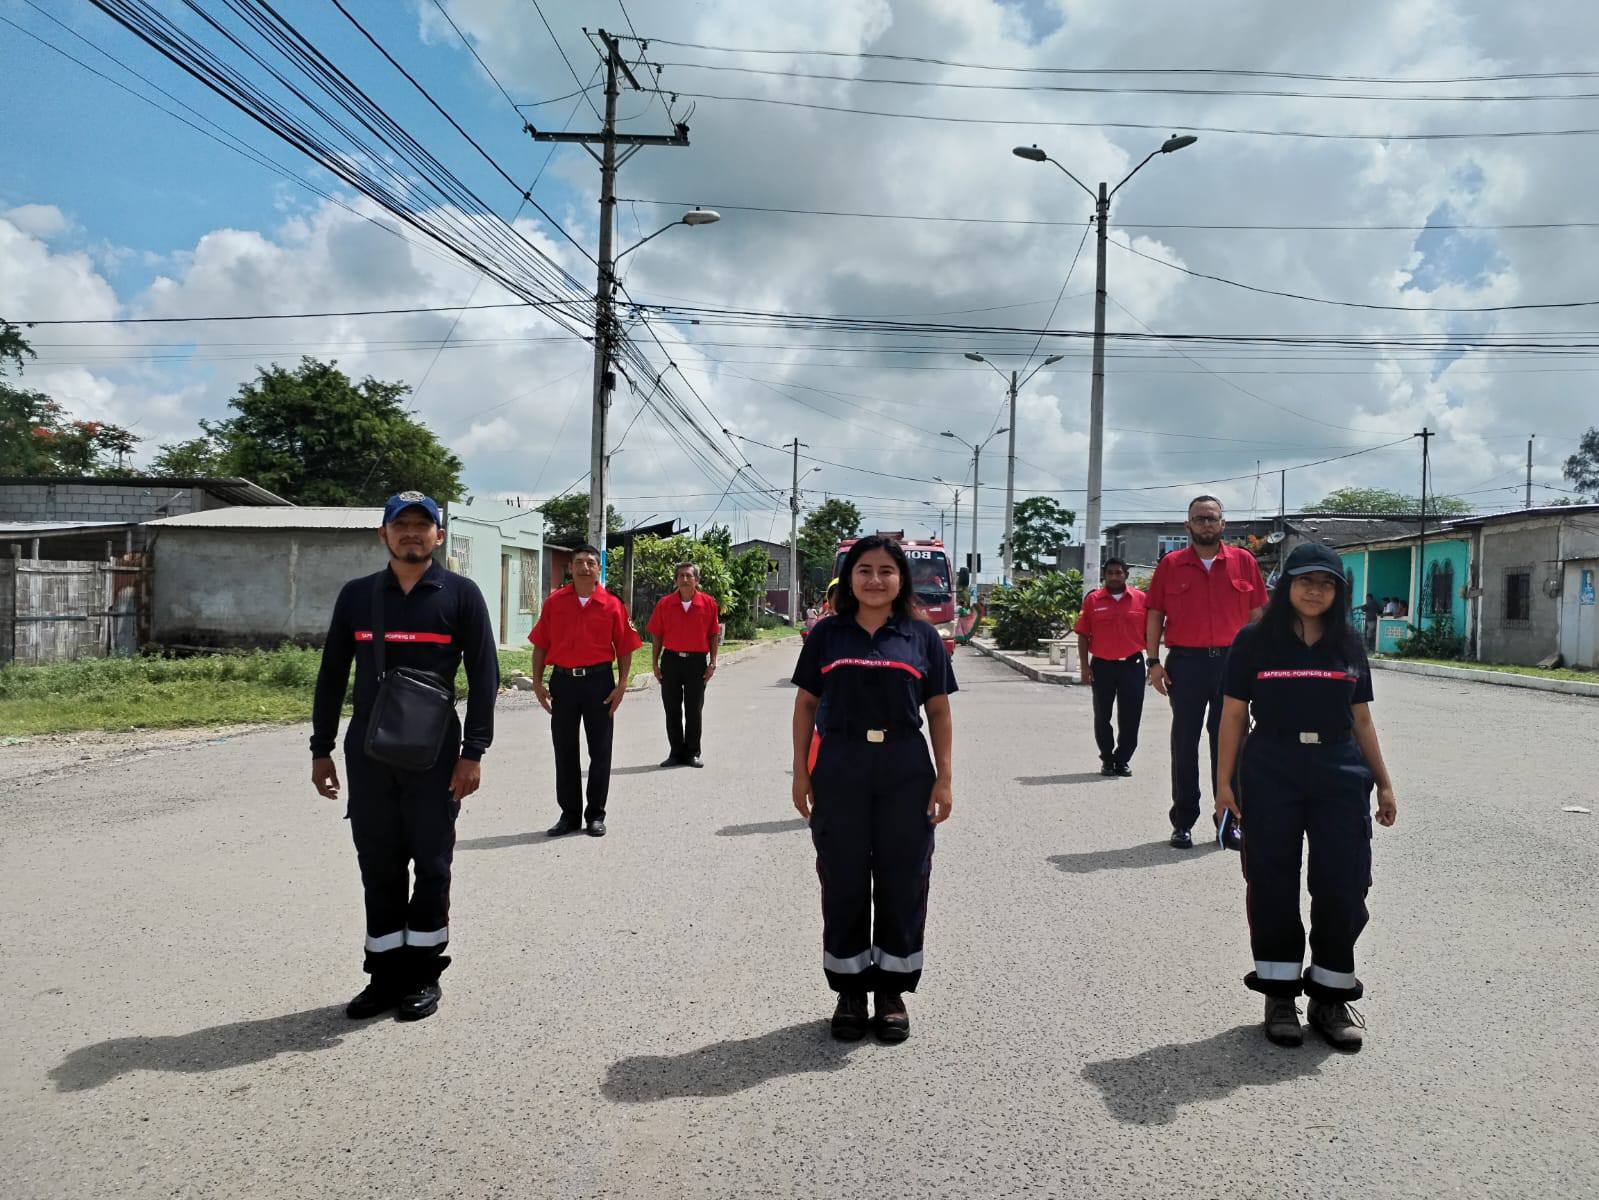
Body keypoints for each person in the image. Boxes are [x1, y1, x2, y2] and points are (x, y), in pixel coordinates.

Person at [310, 492, 498, 1022]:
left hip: (436, 756)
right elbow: (331, 676)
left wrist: (473, 752)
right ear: (384, 534)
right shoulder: (358, 596)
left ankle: (422, 974)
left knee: (432, 863)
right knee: (379, 863)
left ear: (439, 535)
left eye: (422, 524)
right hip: (368, 754)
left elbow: (485, 676)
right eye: (401, 525)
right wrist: (321, 749)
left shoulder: (460, 595)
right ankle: (384, 975)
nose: (411, 533)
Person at [1214, 542, 1398, 1052]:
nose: (1315, 591)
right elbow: (1233, 714)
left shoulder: (1348, 642)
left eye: (1326, 583)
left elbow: (1362, 718)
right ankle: (1279, 995)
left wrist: (1383, 782)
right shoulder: (1254, 641)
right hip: (1271, 766)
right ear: (1286, 587)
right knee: (1271, 880)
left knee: (1344, 883)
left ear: (1338, 592)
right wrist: (1223, 784)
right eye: (1305, 581)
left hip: (1339, 769)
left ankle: (1329, 998)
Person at [791, 536, 955, 1044]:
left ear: (901, 579)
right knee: (842, 877)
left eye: (886, 570)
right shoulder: (827, 634)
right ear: (849, 578)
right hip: (840, 765)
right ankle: (849, 992)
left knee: (903, 877)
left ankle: (890, 992)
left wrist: (945, 777)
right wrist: (800, 772)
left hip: (905, 767)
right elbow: (805, 705)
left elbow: (939, 710)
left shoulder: (921, 636)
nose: (875, 580)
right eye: (865, 570)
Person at [1145, 496, 1267, 850]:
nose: (1206, 524)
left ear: (1223, 524)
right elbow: (1154, 613)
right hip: (1186, 663)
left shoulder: (1243, 562)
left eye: (1212, 518)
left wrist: (1258, 662)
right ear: (1188, 526)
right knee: (1184, 741)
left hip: (1233, 662)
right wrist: (1153, 661)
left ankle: (1229, 820)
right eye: (1199, 519)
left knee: (1230, 742)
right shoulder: (1171, 565)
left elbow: (1256, 615)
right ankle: (1183, 820)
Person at [529, 544, 643, 838]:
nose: (585, 567)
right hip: (563, 683)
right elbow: (541, 644)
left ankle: (595, 815)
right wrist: (538, 682)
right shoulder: (554, 603)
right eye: (579, 562)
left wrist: (622, 684)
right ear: (570, 568)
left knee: (600, 751)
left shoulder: (612, 604)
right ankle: (569, 815)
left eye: (591, 562)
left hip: (599, 683)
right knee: (564, 750)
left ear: (598, 569)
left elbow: (625, 646)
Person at [1074, 557, 1148, 777]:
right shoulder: (1093, 600)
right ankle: (1107, 759)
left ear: (1126, 574)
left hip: (1132, 665)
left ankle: (1123, 760)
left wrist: (1153, 661)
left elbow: (1152, 631)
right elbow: (1082, 635)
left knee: (1131, 716)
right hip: (1102, 666)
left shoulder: (1141, 599)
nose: (1114, 576)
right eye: (1110, 573)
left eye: (1118, 572)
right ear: (1104, 575)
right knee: (1102, 715)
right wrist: (1084, 666)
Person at [648, 562, 721, 769]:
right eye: (681, 576)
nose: (685, 579)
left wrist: (713, 663)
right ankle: (676, 752)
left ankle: (692, 752)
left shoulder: (708, 603)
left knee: (694, 709)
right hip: (671, 661)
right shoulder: (665, 604)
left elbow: (713, 634)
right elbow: (657, 634)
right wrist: (655, 663)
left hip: (696, 663)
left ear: (697, 580)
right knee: (671, 708)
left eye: (689, 576)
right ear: (675, 580)